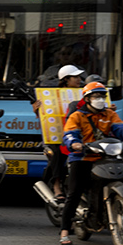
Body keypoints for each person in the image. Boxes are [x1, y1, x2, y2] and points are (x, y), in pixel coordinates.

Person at [58, 82, 123, 245]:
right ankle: (65, 230)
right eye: (95, 96)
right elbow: (70, 134)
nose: (99, 99)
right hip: (83, 158)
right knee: (74, 194)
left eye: (102, 96)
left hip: (106, 157)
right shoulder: (77, 116)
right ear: (87, 99)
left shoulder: (109, 114)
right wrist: (74, 143)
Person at [35, 64, 88, 200]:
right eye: (74, 77)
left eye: (79, 77)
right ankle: (56, 185)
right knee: (58, 152)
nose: (78, 80)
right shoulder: (52, 95)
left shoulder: (85, 93)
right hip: (58, 136)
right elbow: (46, 116)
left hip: (83, 134)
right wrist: (37, 109)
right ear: (66, 79)